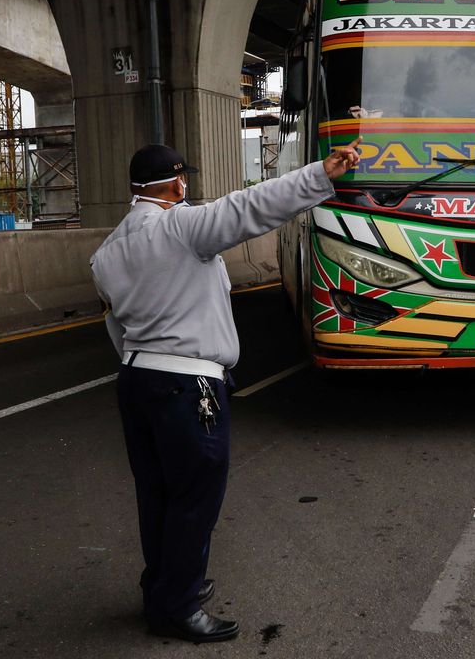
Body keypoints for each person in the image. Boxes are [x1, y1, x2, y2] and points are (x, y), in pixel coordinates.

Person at [90, 139, 361, 644]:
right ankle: (178, 606)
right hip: (186, 384)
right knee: (194, 497)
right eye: (182, 178)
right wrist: (320, 174)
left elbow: (114, 324)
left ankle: (164, 587)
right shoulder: (181, 226)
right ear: (176, 182)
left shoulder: (106, 252)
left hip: (136, 377)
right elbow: (249, 207)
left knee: (157, 494)